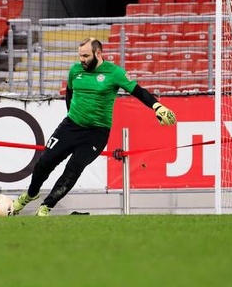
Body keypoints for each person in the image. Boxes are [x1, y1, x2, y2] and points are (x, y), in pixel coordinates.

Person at [11, 37, 177, 216]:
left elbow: (138, 91)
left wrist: (157, 106)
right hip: (71, 126)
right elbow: (69, 93)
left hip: (96, 133)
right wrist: (71, 116)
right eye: (80, 55)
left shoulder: (114, 73)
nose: (81, 59)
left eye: (85, 56)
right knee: (43, 164)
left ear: (98, 54)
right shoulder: (75, 70)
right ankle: (31, 194)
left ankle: (46, 207)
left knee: (73, 169)